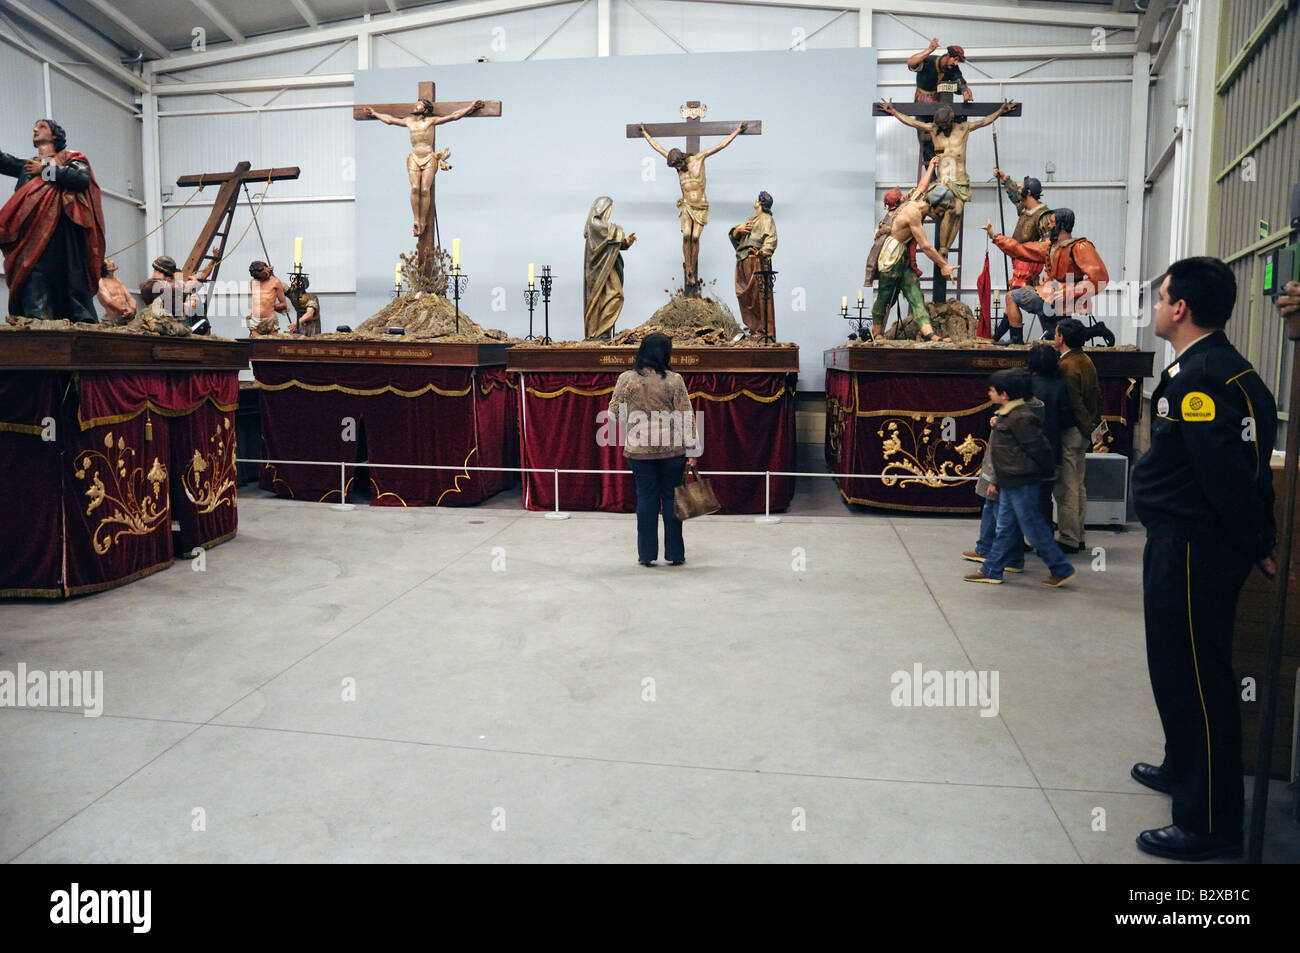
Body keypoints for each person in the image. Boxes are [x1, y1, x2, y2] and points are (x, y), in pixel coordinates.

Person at [1129, 256, 1278, 861]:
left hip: (1195, 548)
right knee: (1173, 669)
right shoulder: (1208, 368)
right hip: (1180, 541)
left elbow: (1228, 480)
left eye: (1161, 297)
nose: (1157, 306)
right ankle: (1181, 764)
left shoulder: (1204, 380)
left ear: (1180, 307)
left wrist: (1256, 542)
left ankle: (1210, 822)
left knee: (1199, 678)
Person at [964, 368, 1075, 587]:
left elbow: (1038, 447)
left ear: (1004, 394)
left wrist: (1046, 471)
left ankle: (1061, 568)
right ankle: (992, 569)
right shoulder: (1009, 414)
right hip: (1010, 480)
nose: (989, 393)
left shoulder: (1021, 417)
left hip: (1022, 481)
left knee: (1033, 528)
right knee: (1005, 527)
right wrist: (996, 481)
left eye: (992, 390)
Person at [607, 333, 700, 567]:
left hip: (639, 451)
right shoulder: (674, 380)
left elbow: (614, 414)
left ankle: (646, 554)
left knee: (646, 500)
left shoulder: (626, 379)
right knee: (671, 501)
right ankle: (675, 554)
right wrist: (692, 451)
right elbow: (685, 416)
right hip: (672, 451)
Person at [880, 98, 1016, 256]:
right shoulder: (933, 129)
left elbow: (984, 122)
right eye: (940, 125)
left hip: (960, 180)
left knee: (958, 211)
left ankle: (944, 248)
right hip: (944, 181)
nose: (942, 127)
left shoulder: (963, 129)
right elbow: (913, 123)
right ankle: (943, 248)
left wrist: (1000, 112)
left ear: (951, 120)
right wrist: (894, 112)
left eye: (944, 125)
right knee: (951, 210)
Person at [0, 118, 105, 322]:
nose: (35, 129)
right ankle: (36, 317)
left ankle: (78, 319)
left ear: (55, 135)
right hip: (30, 233)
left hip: (61, 231)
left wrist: (45, 171)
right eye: (35, 127)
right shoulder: (28, 166)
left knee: (68, 276)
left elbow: (81, 179)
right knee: (32, 273)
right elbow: (3, 161)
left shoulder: (71, 158)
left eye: (42, 127)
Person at [638, 121, 746, 294]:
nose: (678, 170)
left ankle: (692, 265)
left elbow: (720, 145)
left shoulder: (699, 159)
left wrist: (738, 131)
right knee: (686, 235)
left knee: (695, 238)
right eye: (675, 168)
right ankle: (689, 269)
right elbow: (658, 148)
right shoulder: (677, 167)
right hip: (687, 205)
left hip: (700, 206)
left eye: (678, 166)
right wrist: (645, 134)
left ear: (682, 159)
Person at [983, 208, 1110, 344]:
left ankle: (1016, 341)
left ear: (1060, 225)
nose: (1048, 226)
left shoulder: (1080, 247)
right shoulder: (1051, 247)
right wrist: (995, 236)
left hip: (1060, 297)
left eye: (1051, 223)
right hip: (1050, 294)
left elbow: (1100, 279)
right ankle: (1096, 330)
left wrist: (1069, 291)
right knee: (1057, 333)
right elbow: (1019, 249)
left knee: (1012, 296)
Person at [363, 98, 485, 237]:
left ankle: (423, 221)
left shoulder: (431, 121)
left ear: (425, 109)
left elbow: (454, 116)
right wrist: (375, 113)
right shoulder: (409, 121)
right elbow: (390, 120)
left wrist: (471, 107)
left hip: (428, 157)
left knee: (425, 189)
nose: (415, 106)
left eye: (418, 105)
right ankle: (416, 219)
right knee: (415, 188)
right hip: (414, 157)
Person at [870, 182, 958, 341]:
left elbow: (922, 186)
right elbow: (925, 246)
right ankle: (877, 333)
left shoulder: (917, 204)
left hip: (903, 257)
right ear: (934, 204)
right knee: (884, 294)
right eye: (942, 210)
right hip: (891, 257)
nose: (941, 214)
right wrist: (943, 265)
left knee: (915, 294)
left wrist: (939, 183)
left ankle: (929, 334)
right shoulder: (913, 212)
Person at [1052, 318, 1100, 553]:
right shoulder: (1086, 359)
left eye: (1056, 333)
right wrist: (1090, 428)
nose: (1054, 337)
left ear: (1061, 338)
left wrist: (1083, 427)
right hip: (1083, 430)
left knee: (1067, 486)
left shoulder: (1066, 366)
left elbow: (1074, 403)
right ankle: (1079, 534)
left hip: (1073, 430)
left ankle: (1068, 538)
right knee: (1078, 484)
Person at [990, 170, 1051, 342]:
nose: (1020, 190)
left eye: (1023, 188)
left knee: (1014, 294)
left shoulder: (1043, 215)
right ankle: (999, 337)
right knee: (1011, 296)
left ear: (1029, 192)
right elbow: (1015, 196)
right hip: (1019, 259)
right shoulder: (1024, 208)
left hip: (1029, 260)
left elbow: (1048, 246)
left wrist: (1048, 270)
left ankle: (1014, 340)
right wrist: (1004, 178)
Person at [865, 156, 938, 288]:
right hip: (893, 258)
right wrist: (931, 166)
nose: (904, 195)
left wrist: (932, 166)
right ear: (899, 200)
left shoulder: (899, 210)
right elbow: (921, 187)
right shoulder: (902, 212)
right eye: (901, 195)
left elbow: (921, 187)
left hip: (898, 256)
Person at [906, 39, 974, 165]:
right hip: (922, 103)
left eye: (957, 61)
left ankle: (942, 168)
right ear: (948, 55)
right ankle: (931, 175)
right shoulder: (929, 61)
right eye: (955, 59)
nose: (955, 63)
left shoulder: (953, 68)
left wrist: (965, 90)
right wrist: (929, 50)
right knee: (925, 139)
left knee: (941, 137)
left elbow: (959, 80)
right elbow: (910, 62)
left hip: (938, 106)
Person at [1027, 341, 1070, 530]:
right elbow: (1066, 417)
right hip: (1051, 447)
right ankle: (1045, 537)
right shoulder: (1060, 386)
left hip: (1026, 449)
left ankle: (1019, 540)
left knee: (1022, 497)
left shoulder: (1025, 385)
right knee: (1045, 496)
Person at [582, 196, 636, 340]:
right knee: (613, 295)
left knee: (612, 296)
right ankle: (598, 332)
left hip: (608, 264)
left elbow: (613, 242)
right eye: (609, 209)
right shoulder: (595, 224)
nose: (610, 213)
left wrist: (627, 243)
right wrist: (622, 237)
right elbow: (611, 235)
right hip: (598, 269)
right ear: (602, 208)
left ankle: (603, 332)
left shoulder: (602, 227)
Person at [729, 191, 778, 339]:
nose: (755, 200)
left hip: (755, 261)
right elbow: (738, 241)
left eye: (757, 198)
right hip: (743, 260)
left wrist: (762, 252)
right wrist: (737, 230)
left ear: (760, 202)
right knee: (746, 296)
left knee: (759, 296)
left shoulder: (766, 219)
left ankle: (764, 332)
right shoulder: (753, 220)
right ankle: (754, 329)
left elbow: (771, 239)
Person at [247, 260, 289, 336]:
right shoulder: (253, 282)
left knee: (271, 345)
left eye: (266, 272)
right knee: (256, 345)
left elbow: (284, 304)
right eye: (262, 274)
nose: (266, 274)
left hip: (270, 320)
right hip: (255, 320)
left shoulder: (275, 282)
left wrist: (271, 305)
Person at [96, 258, 136, 324]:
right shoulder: (101, 282)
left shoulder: (117, 280)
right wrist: (124, 309)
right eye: (108, 261)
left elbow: (130, 297)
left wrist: (132, 309)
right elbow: (109, 301)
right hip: (112, 320)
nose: (112, 261)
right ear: (105, 267)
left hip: (126, 317)